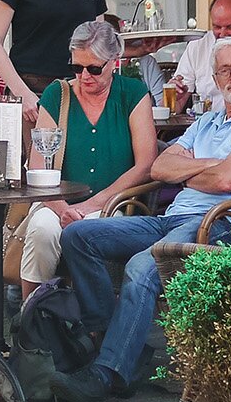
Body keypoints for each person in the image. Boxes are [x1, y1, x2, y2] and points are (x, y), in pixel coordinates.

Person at [48, 35, 231, 402]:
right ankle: (115, 347)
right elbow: (161, 168)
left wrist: (198, 171)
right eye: (225, 70)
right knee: (79, 235)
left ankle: (104, 375)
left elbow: (227, 182)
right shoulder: (208, 121)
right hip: (171, 219)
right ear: (214, 78)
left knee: (143, 265)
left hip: (221, 226)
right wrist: (215, 165)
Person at [14, 21, 159, 290]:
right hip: (56, 201)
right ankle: (33, 308)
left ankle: (93, 311)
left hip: (111, 204)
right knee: (42, 229)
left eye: (93, 68)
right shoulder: (57, 95)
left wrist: (91, 206)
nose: (84, 76)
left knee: (92, 233)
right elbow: (38, 166)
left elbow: (146, 165)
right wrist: (64, 210)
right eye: (77, 68)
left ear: (114, 61)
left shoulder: (133, 94)